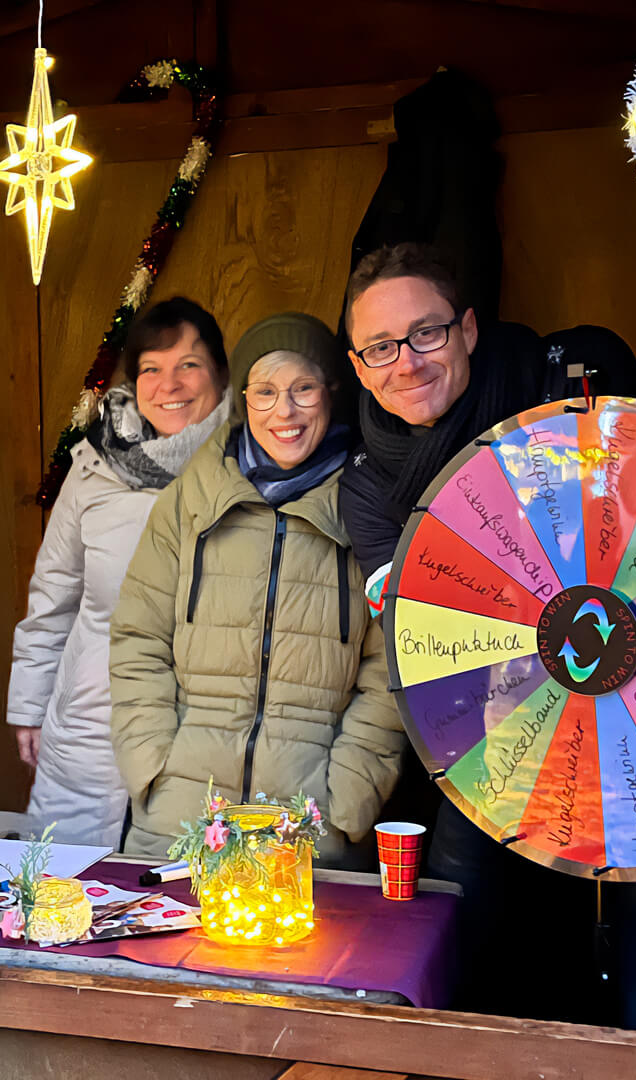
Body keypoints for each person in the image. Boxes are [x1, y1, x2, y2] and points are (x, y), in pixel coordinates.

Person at [338, 242, 636, 1026]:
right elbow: (424, 630)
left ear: (466, 328)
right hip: (499, 731)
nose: (406, 362)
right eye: (380, 348)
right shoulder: (366, 477)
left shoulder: (569, 381)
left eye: (426, 333)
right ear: (358, 366)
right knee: (470, 939)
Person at [109, 312, 406, 863]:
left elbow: (391, 667)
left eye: (303, 389)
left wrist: (347, 800)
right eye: (265, 392)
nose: (284, 411)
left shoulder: (368, 507)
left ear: (332, 392)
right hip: (179, 820)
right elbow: (138, 639)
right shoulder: (191, 498)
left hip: (311, 826)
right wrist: (153, 766)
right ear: (243, 400)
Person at [6, 298, 232, 849]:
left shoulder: (252, 462)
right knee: (69, 884)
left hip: (205, 731)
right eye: (151, 368)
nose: (169, 384)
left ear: (222, 375)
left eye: (189, 365)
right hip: (91, 725)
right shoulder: (94, 467)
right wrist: (30, 706)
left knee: (187, 890)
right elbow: (54, 596)